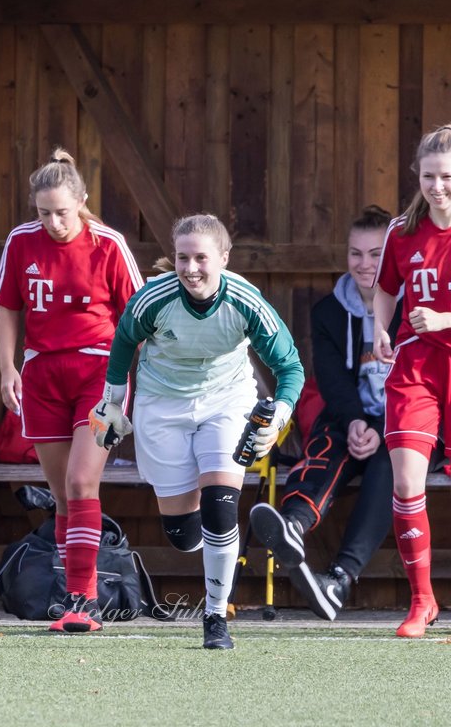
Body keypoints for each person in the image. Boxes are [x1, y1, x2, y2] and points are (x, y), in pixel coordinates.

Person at [91, 214, 304, 650]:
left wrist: (278, 419)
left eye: (201, 258)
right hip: (161, 405)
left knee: (221, 507)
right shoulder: (153, 299)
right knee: (184, 535)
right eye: (183, 258)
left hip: (226, 402)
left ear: (223, 258)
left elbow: (290, 368)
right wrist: (112, 403)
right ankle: (203, 546)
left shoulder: (246, 301)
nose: (191, 269)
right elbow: (123, 344)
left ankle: (215, 617)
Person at [0, 148, 143, 633]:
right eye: (43, 212)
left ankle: (85, 599)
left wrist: (140, 380)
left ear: (82, 201)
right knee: (61, 493)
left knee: (81, 482)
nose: (53, 222)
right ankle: (68, 595)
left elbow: (138, 315)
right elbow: (8, 309)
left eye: (62, 211)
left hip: (103, 380)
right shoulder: (20, 242)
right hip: (42, 379)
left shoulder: (109, 244)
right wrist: (7, 369)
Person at [249, 205, 399, 620]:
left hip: (406, 420)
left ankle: (339, 578)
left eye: (376, 253)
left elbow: (422, 378)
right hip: (352, 416)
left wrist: (382, 428)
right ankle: (293, 525)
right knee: (330, 441)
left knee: (392, 459)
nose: (365, 264)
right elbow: (332, 380)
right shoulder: (329, 312)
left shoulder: (411, 307)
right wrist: (355, 420)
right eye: (356, 253)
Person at [373, 124, 451, 638]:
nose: (438, 186)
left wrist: (446, 321)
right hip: (415, 368)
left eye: (447, 176)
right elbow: (385, 289)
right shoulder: (401, 231)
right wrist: (381, 328)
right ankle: (421, 600)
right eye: (429, 176)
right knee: (406, 483)